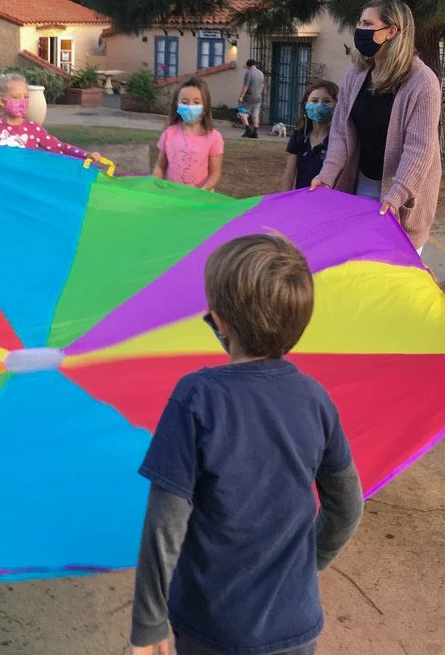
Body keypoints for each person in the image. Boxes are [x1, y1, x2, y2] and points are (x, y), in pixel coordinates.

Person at [129, 233, 364, 655]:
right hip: (296, 626)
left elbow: (165, 524)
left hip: (210, 627)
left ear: (219, 321)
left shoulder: (195, 399)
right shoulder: (316, 399)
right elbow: (347, 506)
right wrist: (310, 565)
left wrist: (148, 626)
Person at [311, 0, 441, 253]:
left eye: (368, 23)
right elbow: (340, 134)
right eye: (360, 22)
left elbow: (419, 149)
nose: (360, 29)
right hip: (361, 183)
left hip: (400, 194)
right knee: (357, 262)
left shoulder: (423, 82)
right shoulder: (356, 75)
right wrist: (326, 177)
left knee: (393, 274)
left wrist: (396, 197)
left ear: (392, 31)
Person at [152, 79, 224, 190]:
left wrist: (201, 192)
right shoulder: (169, 133)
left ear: (205, 104)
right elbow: (160, 166)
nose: (190, 106)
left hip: (199, 199)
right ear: (177, 105)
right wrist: (154, 186)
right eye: (185, 102)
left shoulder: (214, 137)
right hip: (172, 196)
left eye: (196, 102)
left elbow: (215, 173)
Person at [280, 81, 339, 192]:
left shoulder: (338, 140)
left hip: (329, 201)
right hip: (303, 199)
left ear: (336, 104)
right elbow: (289, 172)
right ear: (306, 105)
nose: (320, 105)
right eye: (314, 101)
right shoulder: (299, 135)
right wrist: (283, 200)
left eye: (326, 101)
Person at [239, 58, 266, 138]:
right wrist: (259, 93)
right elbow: (262, 85)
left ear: (248, 66)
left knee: (242, 112)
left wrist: (241, 96)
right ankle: (255, 133)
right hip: (258, 97)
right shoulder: (261, 73)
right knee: (255, 115)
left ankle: (248, 129)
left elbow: (246, 86)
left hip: (249, 97)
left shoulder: (249, 73)